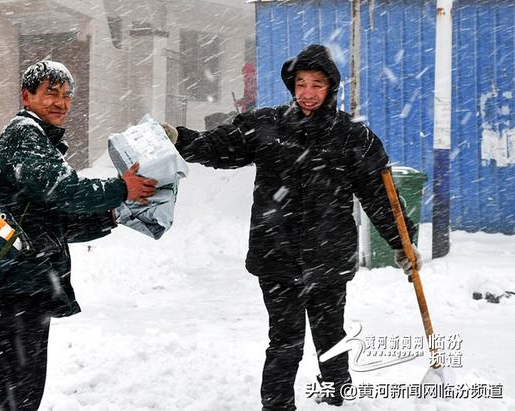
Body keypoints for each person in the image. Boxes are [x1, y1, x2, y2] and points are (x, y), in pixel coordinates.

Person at [162, 44, 423, 409]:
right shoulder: (266, 125)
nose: (308, 93)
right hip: (277, 254)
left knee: (331, 333)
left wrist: (402, 243)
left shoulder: (352, 137)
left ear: (331, 87)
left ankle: (337, 394)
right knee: (285, 340)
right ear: (292, 86)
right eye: (301, 84)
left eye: (317, 84)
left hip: (328, 257)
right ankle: (278, 405)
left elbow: (381, 198)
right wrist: (180, 138)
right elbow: (219, 147)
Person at [0, 60, 157, 410]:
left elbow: (52, 220)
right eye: (50, 94)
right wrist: (121, 188)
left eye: (66, 95)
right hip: (18, 284)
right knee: (14, 385)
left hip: (26, 282)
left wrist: (108, 216)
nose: (61, 102)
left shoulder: (37, 138)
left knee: (17, 383)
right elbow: (62, 189)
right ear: (26, 97)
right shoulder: (25, 133)